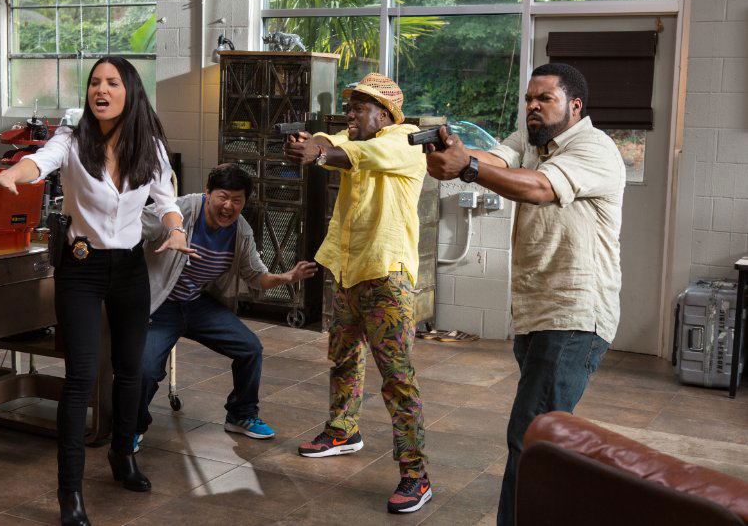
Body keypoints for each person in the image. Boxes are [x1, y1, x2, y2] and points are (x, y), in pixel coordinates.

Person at [0, 57, 189, 526]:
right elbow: (37, 163)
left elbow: (166, 201)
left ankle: (122, 455)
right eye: (94, 83)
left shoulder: (148, 144)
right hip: (81, 267)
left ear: (130, 92)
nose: (100, 90)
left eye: (112, 83)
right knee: (81, 378)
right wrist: (11, 175)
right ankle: (69, 491)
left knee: (129, 371)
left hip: (129, 268)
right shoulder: (72, 139)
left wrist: (176, 229)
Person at [425, 62, 625, 526]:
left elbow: (539, 188)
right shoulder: (533, 141)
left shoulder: (594, 147)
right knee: (547, 437)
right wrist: (458, 152)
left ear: (574, 105)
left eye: (545, 99)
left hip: (574, 313)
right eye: (529, 99)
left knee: (531, 437)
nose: (533, 107)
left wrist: (466, 168)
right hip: (537, 312)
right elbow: (499, 159)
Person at [283, 73, 432, 514]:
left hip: (387, 277)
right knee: (344, 357)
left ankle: (416, 474)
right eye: (348, 108)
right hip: (349, 271)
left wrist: (319, 152)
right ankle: (343, 430)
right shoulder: (350, 140)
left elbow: (364, 154)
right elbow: (335, 142)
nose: (349, 115)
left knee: (398, 379)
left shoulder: (406, 142)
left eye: (359, 108)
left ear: (384, 115)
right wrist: (315, 143)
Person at [136, 163, 317, 446]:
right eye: (223, 196)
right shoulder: (180, 211)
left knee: (250, 348)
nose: (228, 206)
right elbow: (133, 226)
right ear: (208, 193)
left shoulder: (240, 231)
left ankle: (241, 415)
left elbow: (255, 275)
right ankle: (132, 427)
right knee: (147, 369)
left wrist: (286, 277)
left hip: (197, 304)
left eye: (237, 200)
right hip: (161, 305)